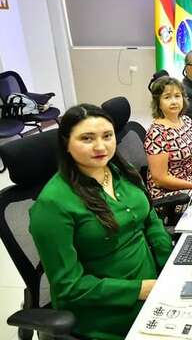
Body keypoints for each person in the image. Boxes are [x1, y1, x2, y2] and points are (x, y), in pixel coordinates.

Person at [29, 104, 172, 340]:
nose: (100, 146)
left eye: (107, 136)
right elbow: (68, 287)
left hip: (155, 289)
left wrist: (169, 265)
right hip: (109, 313)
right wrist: (141, 290)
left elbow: (149, 218)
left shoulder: (118, 170)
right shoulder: (52, 205)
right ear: (66, 143)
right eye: (87, 138)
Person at [145, 76, 192, 210]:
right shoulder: (157, 133)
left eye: (177, 96)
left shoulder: (186, 121)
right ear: (158, 102)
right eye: (167, 97)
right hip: (169, 195)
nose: (174, 101)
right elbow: (160, 179)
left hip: (191, 182)